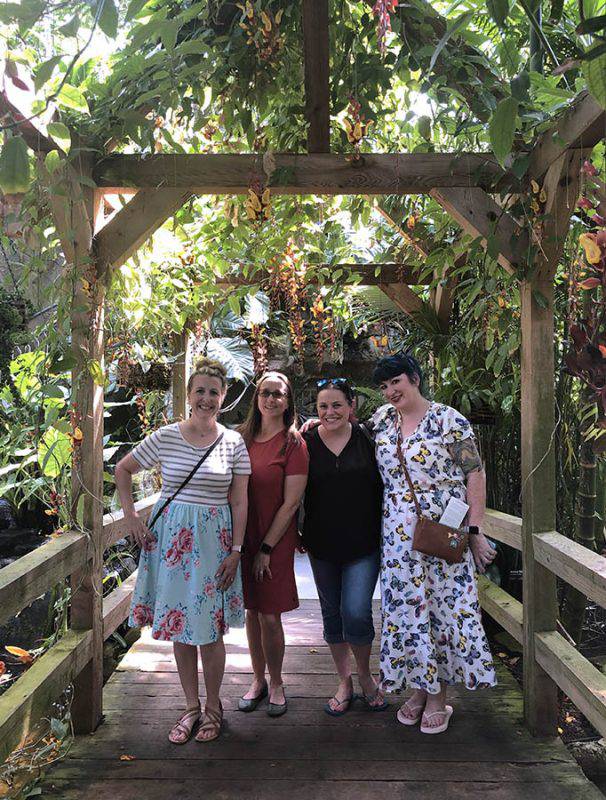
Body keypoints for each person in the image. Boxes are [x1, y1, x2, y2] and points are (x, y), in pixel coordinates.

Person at [115, 356, 251, 744]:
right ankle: (190, 707)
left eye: (214, 392)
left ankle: (213, 707)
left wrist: (237, 550)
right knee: (179, 625)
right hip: (171, 544)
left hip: (214, 544)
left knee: (209, 630)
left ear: (223, 398)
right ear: (189, 396)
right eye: (200, 391)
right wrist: (131, 519)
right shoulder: (167, 436)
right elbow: (123, 470)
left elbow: (240, 502)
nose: (206, 398)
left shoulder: (233, 442)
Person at [368, 352, 497, 734]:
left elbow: (475, 472)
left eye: (397, 382)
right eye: (385, 385)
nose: (391, 391)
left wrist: (475, 531)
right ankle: (422, 689)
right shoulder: (382, 421)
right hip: (397, 537)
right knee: (408, 612)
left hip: (444, 528)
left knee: (444, 610)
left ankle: (440, 696)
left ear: (415, 379)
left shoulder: (448, 419)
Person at [302, 378, 387, 715]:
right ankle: (344, 680)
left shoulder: (369, 438)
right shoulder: (305, 441)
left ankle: (365, 675)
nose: (330, 412)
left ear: (351, 406)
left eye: (337, 404)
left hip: (363, 544)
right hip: (321, 544)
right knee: (332, 614)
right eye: (323, 406)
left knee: (356, 610)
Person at [238, 371, 309, 717]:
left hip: (274, 539)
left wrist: (266, 548)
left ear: (287, 400)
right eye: (265, 393)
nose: (271, 399)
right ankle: (257, 680)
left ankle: (277, 681)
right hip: (242, 536)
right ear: (256, 397)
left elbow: (291, 503)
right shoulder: (240, 438)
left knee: (269, 615)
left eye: (278, 394)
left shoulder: (293, 444)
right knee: (251, 612)